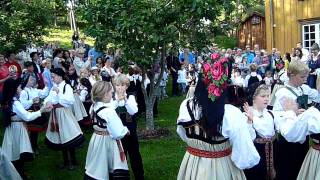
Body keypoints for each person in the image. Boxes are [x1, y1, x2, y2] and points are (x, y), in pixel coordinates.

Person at [176, 57, 260, 180]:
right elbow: (245, 157)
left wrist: (199, 146)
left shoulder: (186, 105)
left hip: (192, 164)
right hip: (221, 166)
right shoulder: (231, 114)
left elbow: (182, 134)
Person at [273, 60, 320, 180]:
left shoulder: (303, 88)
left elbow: (317, 95)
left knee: (300, 166)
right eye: (302, 76)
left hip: (302, 136)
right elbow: (280, 116)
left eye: (307, 76)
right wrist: (293, 113)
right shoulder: (283, 93)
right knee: (288, 170)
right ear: (292, 75)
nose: (305, 79)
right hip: (288, 139)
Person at [1, 78, 51, 178]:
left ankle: (16, 170)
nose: (20, 89)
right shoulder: (15, 103)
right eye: (18, 87)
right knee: (18, 149)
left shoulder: (7, 101)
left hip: (12, 127)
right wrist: (41, 110)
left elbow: (19, 114)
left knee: (13, 147)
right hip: (17, 128)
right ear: (13, 89)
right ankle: (19, 173)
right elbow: (27, 117)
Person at [84, 81, 130, 180]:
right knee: (110, 166)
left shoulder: (93, 106)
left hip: (96, 138)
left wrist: (118, 100)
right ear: (105, 95)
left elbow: (108, 106)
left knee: (98, 165)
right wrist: (125, 130)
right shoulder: (109, 112)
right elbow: (117, 133)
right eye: (110, 92)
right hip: (107, 142)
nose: (112, 94)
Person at [43, 68, 85, 170]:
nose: (52, 79)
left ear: (60, 76)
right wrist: (47, 103)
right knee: (60, 137)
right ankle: (66, 161)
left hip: (64, 114)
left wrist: (59, 93)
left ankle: (73, 161)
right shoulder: (54, 87)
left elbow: (70, 101)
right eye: (52, 77)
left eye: (53, 76)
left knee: (68, 136)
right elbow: (48, 98)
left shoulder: (67, 87)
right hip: (56, 114)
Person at [112, 74, 144, 180]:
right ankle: (122, 176)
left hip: (130, 131)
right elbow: (109, 110)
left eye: (122, 85)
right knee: (120, 154)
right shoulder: (112, 98)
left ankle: (139, 175)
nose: (119, 88)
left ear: (126, 86)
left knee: (134, 154)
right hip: (117, 132)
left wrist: (124, 100)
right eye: (117, 85)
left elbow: (133, 110)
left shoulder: (130, 97)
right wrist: (117, 101)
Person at [243, 83, 277, 180]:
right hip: (257, 155)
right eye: (263, 96)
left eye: (268, 96)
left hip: (273, 154)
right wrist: (250, 121)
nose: (266, 99)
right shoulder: (246, 114)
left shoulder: (270, 113)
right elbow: (248, 138)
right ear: (253, 98)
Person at [19, 73, 50, 155]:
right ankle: (32, 147)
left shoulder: (34, 90)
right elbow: (23, 104)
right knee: (33, 131)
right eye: (31, 79)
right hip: (30, 112)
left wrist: (46, 86)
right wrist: (32, 101)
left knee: (35, 131)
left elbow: (43, 94)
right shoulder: (24, 92)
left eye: (33, 79)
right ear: (26, 81)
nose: (33, 80)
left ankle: (34, 145)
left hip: (37, 110)